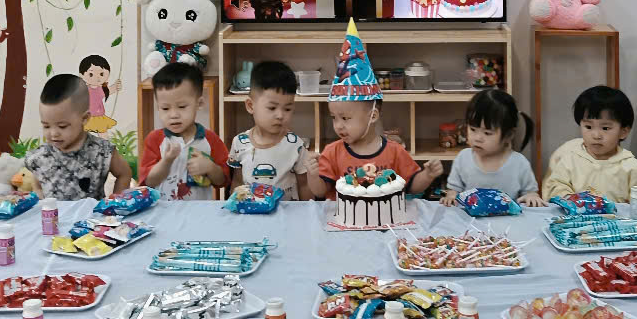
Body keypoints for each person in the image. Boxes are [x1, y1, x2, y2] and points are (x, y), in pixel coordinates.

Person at [23, 72, 132, 200]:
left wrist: (116, 201)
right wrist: (38, 193)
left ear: (84, 118)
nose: (53, 133)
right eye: (46, 126)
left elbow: (124, 173)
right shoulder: (40, 156)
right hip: (53, 213)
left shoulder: (103, 151)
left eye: (62, 126)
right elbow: (38, 179)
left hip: (91, 213)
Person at [306, 98, 442, 199]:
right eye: (334, 118)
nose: (338, 125)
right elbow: (320, 192)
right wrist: (312, 176)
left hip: (388, 223)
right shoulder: (332, 152)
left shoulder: (395, 151)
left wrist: (427, 175)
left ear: (373, 116)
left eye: (345, 118)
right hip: (344, 225)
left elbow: (413, 187)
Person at [542, 86, 637, 203]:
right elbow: (555, 187)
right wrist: (567, 198)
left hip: (616, 215)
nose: (596, 135)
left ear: (623, 132)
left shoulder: (631, 167)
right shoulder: (570, 159)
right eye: (588, 127)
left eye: (605, 128)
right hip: (577, 214)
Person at [140, 62, 229, 200]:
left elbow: (223, 181)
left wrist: (210, 167)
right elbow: (149, 182)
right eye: (165, 108)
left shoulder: (210, 139)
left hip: (198, 211)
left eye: (181, 106)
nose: (173, 115)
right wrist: (166, 161)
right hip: (164, 210)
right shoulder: (155, 139)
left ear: (199, 103)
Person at [442, 88, 543, 206]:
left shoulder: (519, 163)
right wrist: (451, 196)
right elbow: (453, 190)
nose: (478, 138)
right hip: (470, 217)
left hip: (507, 217)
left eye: (487, 133)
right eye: (473, 129)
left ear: (508, 135)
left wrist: (532, 197)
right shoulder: (463, 158)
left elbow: (531, 193)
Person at [227, 60, 310, 200]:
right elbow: (237, 182)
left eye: (287, 109)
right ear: (250, 106)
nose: (280, 115)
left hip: (287, 212)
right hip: (252, 211)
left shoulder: (296, 145)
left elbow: (304, 186)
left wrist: (308, 209)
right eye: (272, 108)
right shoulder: (240, 143)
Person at [78, 53, 120, 133]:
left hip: (99, 116)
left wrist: (115, 86)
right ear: (81, 75)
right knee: (84, 132)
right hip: (87, 116)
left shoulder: (101, 89)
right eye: (91, 74)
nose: (97, 77)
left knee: (102, 131)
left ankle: (104, 141)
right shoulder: (84, 89)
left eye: (101, 74)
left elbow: (109, 91)